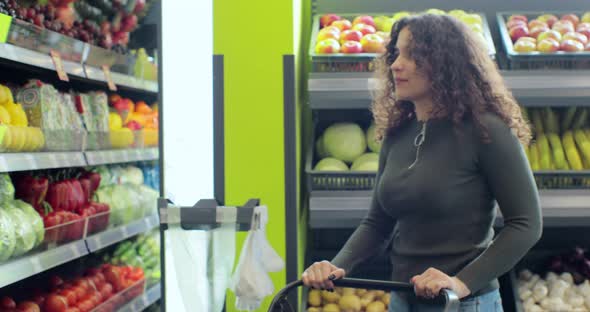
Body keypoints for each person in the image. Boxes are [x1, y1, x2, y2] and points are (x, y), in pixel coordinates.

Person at [302, 13, 543, 312]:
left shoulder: (486, 129)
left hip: (465, 304)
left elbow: (526, 224)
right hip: (402, 299)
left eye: (411, 56)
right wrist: (336, 266)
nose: (395, 64)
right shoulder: (398, 132)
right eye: (396, 53)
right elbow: (378, 223)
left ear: (444, 63)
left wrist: (461, 282)